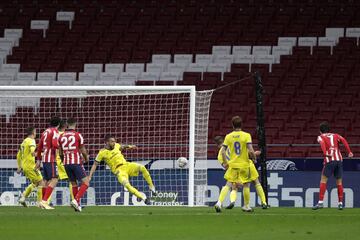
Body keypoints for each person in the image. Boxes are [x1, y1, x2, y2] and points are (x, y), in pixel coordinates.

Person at [89, 135, 156, 205]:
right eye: (112, 142)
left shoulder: (116, 146)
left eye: (114, 141)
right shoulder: (102, 153)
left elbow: (123, 146)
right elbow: (95, 164)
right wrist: (90, 175)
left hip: (127, 165)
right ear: (107, 142)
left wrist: (131, 146)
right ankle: (144, 198)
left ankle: (151, 186)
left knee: (142, 167)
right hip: (119, 171)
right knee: (127, 185)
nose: (114, 143)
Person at [214, 135, 268, 211]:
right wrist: (254, 155)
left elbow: (225, 166)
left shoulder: (220, 154)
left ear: (216, 145)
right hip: (246, 165)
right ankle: (262, 202)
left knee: (230, 185)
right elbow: (247, 153)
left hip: (233, 168)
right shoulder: (232, 143)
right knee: (254, 182)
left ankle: (221, 202)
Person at [214, 116, 257, 213]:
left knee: (228, 184)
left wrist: (225, 162)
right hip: (244, 164)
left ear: (232, 125)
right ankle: (246, 206)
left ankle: (219, 203)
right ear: (241, 124)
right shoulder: (246, 135)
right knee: (246, 185)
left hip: (233, 165)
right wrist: (254, 158)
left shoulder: (228, 136)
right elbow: (250, 150)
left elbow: (223, 152)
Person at [313, 122, 353, 210]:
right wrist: (349, 151)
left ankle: (320, 202)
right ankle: (340, 203)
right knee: (339, 182)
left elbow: (322, 144)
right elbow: (344, 140)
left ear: (320, 131)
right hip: (339, 160)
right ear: (328, 129)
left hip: (329, 160)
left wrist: (325, 154)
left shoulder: (320, 137)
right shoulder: (336, 135)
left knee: (323, 181)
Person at [59, 118, 89, 212]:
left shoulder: (61, 136)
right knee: (86, 182)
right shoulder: (77, 135)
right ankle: (76, 200)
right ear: (75, 124)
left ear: (67, 124)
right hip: (75, 162)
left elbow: (60, 152)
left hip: (66, 163)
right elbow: (82, 149)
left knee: (74, 184)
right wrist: (86, 158)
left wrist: (64, 161)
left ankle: (77, 206)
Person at [17, 127, 46, 207]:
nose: (36, 133)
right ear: (33, 133)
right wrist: (43, 154)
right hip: (31, 166)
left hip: (25, 166)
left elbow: (18, 155)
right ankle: (39, 203)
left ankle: (23, 198)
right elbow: (33, 152)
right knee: (41, 182)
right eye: (35, 131)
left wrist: (19, 166)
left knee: (35, 183)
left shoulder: (23, 142)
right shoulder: (31, 141)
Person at [36, 116, 61, 210]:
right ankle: (44, 201)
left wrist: (38, 160)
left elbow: (39, 147)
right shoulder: (55, 131)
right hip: (51, 159)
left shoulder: (45, 132)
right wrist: (61, 147)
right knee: (54, 179)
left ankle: (41, 202)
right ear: (58, 124)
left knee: (46, 181)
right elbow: (55, 144)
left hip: (44, 159)